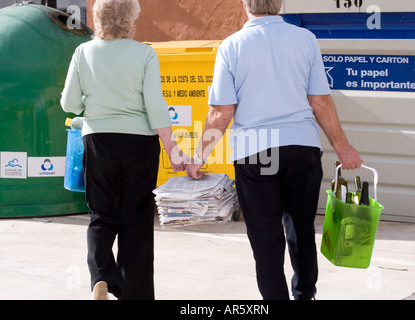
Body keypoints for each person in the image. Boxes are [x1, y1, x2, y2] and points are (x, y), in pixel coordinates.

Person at [186, 0, 362, 300]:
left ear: (245, 4)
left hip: (256, 152)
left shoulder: (231, 46)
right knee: (301, 227)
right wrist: (343, 148)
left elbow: (221, 111)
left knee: (265, 236)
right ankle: (305, 294)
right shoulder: (305, 39)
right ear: (279, 4)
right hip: (301, 148)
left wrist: (199, 156)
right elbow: (320, 101)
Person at [61, 0, 188, 300]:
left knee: (101, 216)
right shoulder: (145, 53)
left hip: (98, 140)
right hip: (139, 144)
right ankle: (138, 295)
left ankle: (101, 277)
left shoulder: (83, 52)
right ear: (130, 18)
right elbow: (156, 106)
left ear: (98, 17)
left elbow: (68, 104)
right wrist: (173, 149)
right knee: (137, 221)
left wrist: (91, 103)